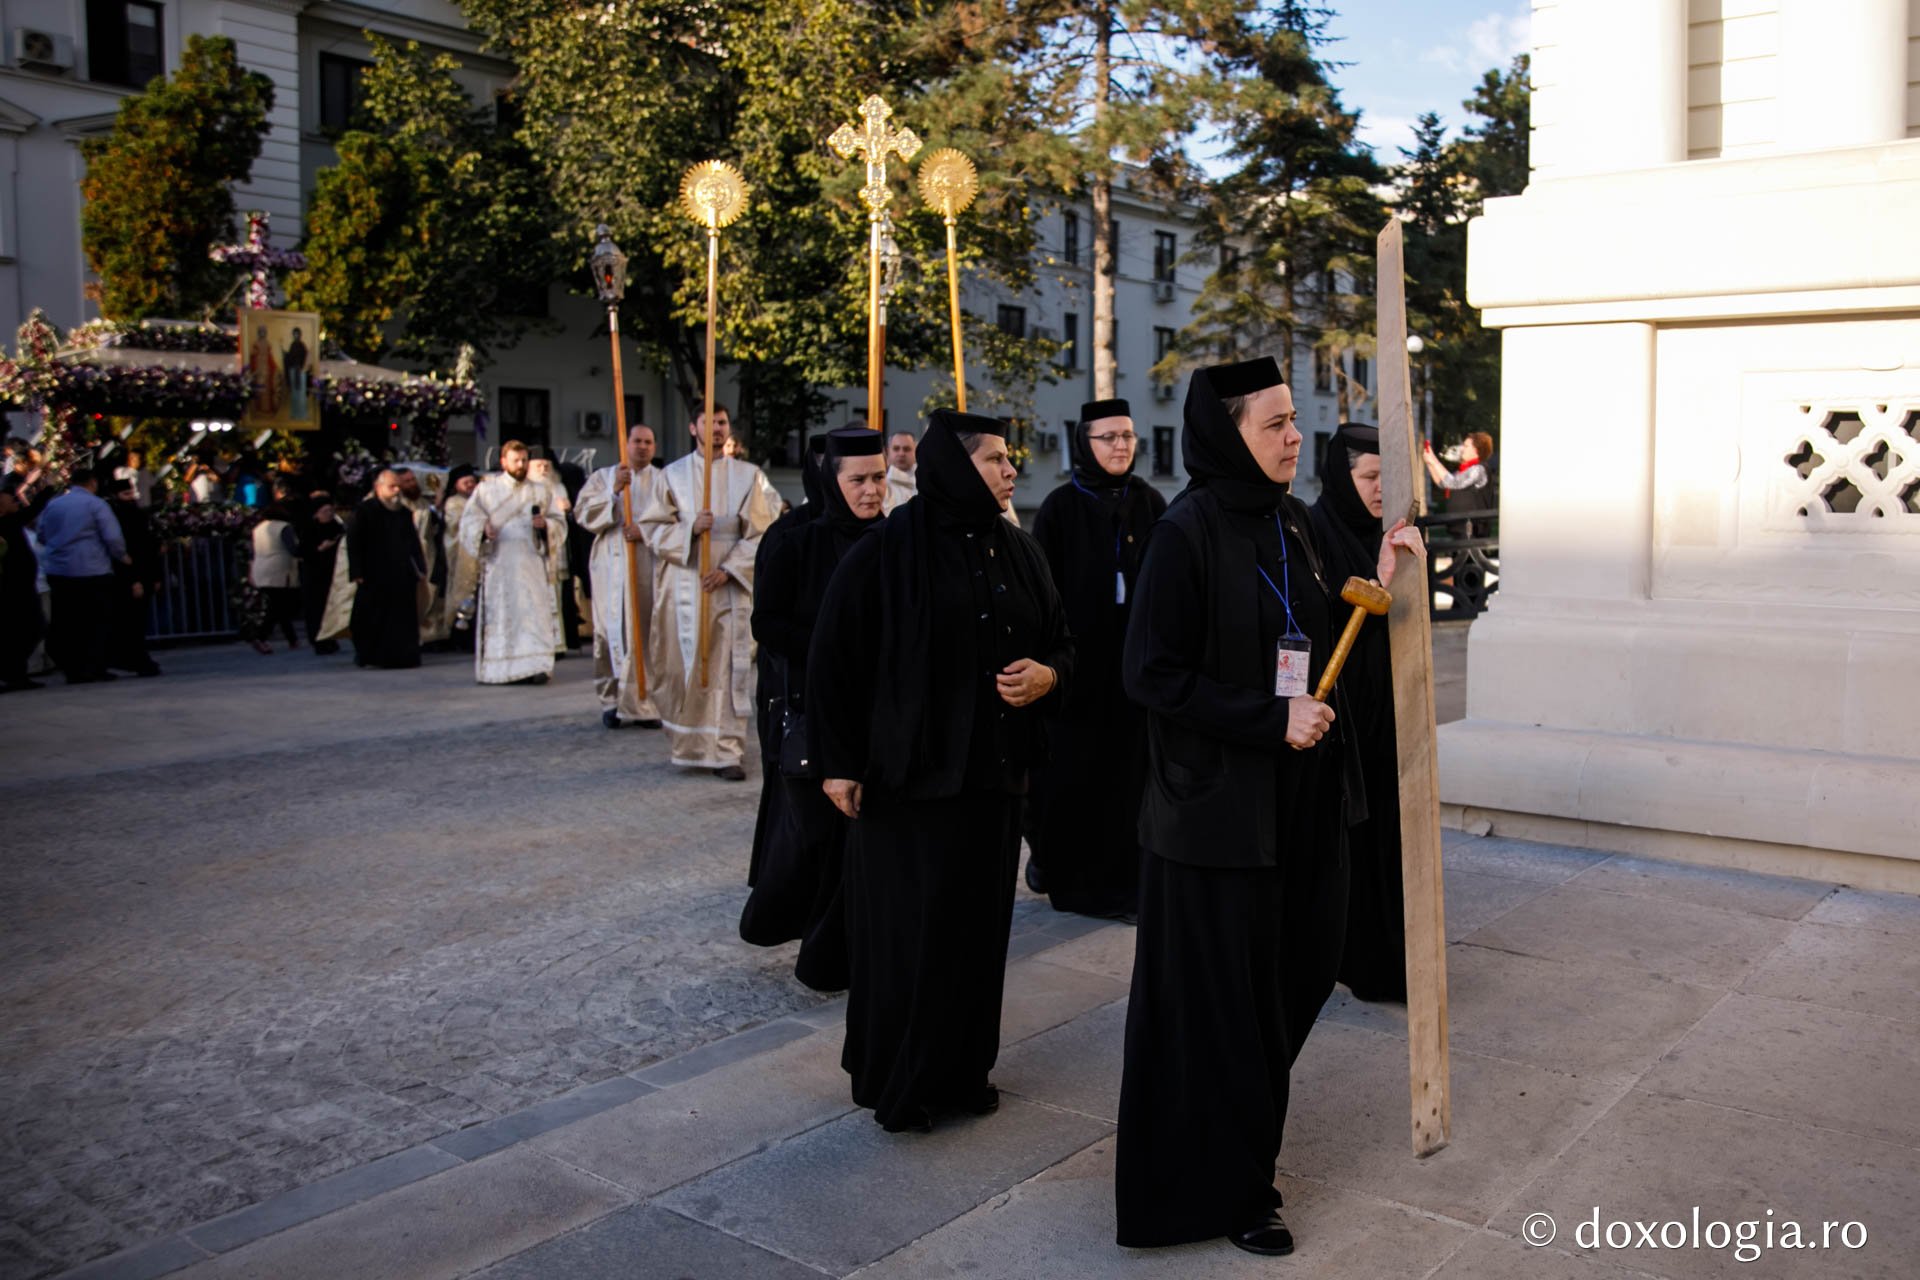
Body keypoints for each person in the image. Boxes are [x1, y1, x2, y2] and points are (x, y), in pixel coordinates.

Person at [1113, 357, 1423, 1257]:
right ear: (1227, 433)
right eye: (1274, 425)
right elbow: (1151, 673)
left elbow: (1329, 636)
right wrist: (1264, 717)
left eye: (1295, 421)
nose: (1295, 438)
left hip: (1300, 810)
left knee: (1292, 982)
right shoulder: (1185, 532)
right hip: (1213, 823)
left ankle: (1236, 1146)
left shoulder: (1294, 525)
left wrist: (1384, 574)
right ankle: (1227, 1189)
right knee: (1220, 1017)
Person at [807, 410, 1074, 1133]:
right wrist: (836, 766)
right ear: (954, 468)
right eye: (994, 459)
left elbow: (1062, 644)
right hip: (907, 786)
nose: (1010, 470)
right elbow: (832, 663)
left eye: (1010, 458)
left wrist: (1048, 676)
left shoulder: (1020, 551)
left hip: (993, 781)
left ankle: (962, 1072)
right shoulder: (882, 552)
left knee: (975, 937)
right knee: (909, 938)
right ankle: (901, 1082)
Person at [740, 428, 887, 991]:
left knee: (863, 846)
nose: (873, 490)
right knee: (816, 843)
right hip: (810, 711)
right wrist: (834, 645)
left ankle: (849, 952)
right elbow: (768, 623)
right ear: (831, 478)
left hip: (876, 714)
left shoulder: (896, 537)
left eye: (879, 478)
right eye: (860, 480)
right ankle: (820, 954)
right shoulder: (793, 538)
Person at [1025, 398, 1166, 919]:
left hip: (1133, 671)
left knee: (1128, 782)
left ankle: (1124, 887)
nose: (1120, 446)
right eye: (1108, 437)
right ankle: (1070, 878)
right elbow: (1041, 594)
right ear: (1085, 442)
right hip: (1078, 673)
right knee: (1075, 780)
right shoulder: (1061, 507)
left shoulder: (1150, 502)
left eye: (1127, 436)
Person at [1310, 423, 1404, 1002]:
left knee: (1391, 843)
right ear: (1341, 476)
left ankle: (1393, 957)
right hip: (1339, 718)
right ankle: (1355, 959)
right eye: (1370, 477)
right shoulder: (1313, 531)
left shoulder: (1388, 534)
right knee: (1348, 850)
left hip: (1388, 716)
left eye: (1385, 479)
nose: (1378, 490)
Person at [638, 404, 782, 779]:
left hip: (729, 586)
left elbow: (763, 532)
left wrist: (730, 569)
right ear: (693, 427)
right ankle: (688, 745)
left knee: (726, 667)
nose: (717, 428)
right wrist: (689, 530)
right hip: (684, 582)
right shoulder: (672, 475)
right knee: (682, 662)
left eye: (722, 422)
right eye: (709, 422)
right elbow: (652, 527)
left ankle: (725, 750)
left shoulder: (749, 475)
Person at [746, 435, 829, 887]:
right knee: (788, 792)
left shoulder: (882, 529)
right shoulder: (786, 534)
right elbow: (769, 621)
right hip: (788, 684)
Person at [574, 424, 663, 729]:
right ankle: (611, 699)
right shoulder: (602, 477)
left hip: (648, 562)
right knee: (610, 631)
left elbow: (674, 520)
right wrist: (613, 493)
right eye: (637, 441)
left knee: (646, 631)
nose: (642, 447)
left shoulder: (664, 480)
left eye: (648, 442)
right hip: (611, 563)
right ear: (626, 444)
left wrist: (646, 531)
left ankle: (646, 702)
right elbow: (583, 514)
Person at [458, 442, 566, 685]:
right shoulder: (486, 491)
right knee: (504, 615)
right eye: (516, 460)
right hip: (500, 564)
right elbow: (468, 523)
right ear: (504, 461)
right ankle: (501, 669)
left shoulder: (541, 491)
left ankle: (536, 666)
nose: (521, 465)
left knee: (532, 614)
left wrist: (546, 526)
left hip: (532, 563)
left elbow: (559, 522)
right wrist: (483, 530)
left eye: (524, 460)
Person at [35, 468, 131, 684]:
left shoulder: (54, 505)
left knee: (67, 620)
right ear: (92, 482)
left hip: (59, 570)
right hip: (92, 568)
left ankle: (72, 667)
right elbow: (113, 536)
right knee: (95, 621)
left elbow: (41, 534)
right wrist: (121, 555)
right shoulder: (96, 505)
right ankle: (94, 666)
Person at [347, 470, 427, 670]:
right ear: (379, 488)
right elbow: (354, 542)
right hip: (373, 574)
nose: (396, 491)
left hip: (401, 574)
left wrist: (420, 568)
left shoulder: (403, 513)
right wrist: (356, 572)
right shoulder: (364, 512)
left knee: (402, 618)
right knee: (371, 616)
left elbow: (413, 543)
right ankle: (370, 655)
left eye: (398, 486)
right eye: (392, 487)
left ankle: (403, 656)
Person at [106, 476, 161, 677]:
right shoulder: (119, 517)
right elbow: (125, 552)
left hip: (144, 571)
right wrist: (133, 580)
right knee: (131, 621)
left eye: (131, 493)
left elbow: (149, 546)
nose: (130, 498)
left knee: (139, 619)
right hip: (131, 575)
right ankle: (134, 659)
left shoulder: (138, 515)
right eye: (125, 494)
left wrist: (155, 576)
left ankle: (136, 658)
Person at [0, 483, 48, 691]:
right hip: (12, 589)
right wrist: (46, 491)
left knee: (29, 629)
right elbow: (32, 510)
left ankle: (16, 674)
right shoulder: (6, 523)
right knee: (24, 630)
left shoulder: (11, 522)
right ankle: (12, 673)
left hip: (23, 587)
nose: (16, 502)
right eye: (11, 500)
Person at [394, 469, 447, 647]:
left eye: (412, 480)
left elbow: (434, 527)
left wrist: (437, 510)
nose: (412, 484)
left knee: (431, 593)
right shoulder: (397, 505)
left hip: (429, 555)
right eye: (406, 481)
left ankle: (431, 636)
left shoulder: (423, 503)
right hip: (409, 557)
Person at [248, 502, 303, 654]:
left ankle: (292, 639)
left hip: (261, 568)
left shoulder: (258, 528)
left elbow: (251, 552)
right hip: (280, 569)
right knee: (278, 606)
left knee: (279, 605)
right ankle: (261, 636)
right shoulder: (284, 527)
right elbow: (292, 549)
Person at [1422, 430, 1494, 533]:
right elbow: (1443, 483)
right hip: (1460, 528)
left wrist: (1434, 460)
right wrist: (1429, 463)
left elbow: (1453, 483)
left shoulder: (1479, 469)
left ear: (1477, 449)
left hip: (1473, 532)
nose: (1462, 449)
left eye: (1466, 446)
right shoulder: (1464, 470)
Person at [300, 493, 345, 655]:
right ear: (316, 513)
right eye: (325, 511)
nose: (329, 514)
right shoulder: (309, 529)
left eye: (330, 511)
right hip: (314, 575)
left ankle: (331, 638)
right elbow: (302, 552)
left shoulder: (337, 527)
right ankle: (319, 641)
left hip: (332, 573)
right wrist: (320, 548)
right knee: (316, 609)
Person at [441, 465, 479, 649]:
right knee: (462, 593)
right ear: (456, 485)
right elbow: (455, 525)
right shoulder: (453, 503)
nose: (470, 485)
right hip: (461, 554)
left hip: (478, 554)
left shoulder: (479, 499)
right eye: (466, 482)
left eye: (472, 481)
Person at [881, 431, 917, 514]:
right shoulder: (881, 483)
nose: (901, 453)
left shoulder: (926, 480)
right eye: (896, 449)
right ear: (887, 452)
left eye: (907, 449)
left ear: (915, 451)